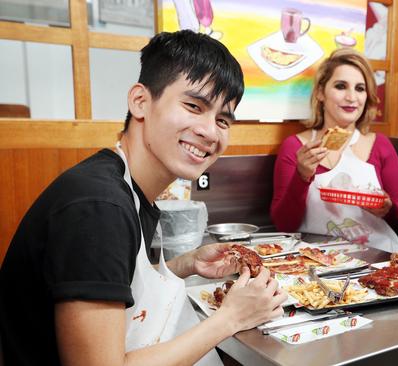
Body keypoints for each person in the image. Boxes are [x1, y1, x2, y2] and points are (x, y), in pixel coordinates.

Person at [0, 30, 286, 366]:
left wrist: (188, 264)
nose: (210, 132)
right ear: (140, 101)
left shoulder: (125, 189)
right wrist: (230, 318)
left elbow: (115, 280)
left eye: (223, 119)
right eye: (194, 106)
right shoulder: (98, 206)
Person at [271, 48, 398, 254]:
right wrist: (302, 176)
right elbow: (284, 225)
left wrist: (389, 209)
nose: (352, 97)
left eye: (360, 88)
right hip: (314, 261)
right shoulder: (296, 147)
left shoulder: (380, 146)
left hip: (377, 259)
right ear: (320, 93)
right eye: (341, 86)